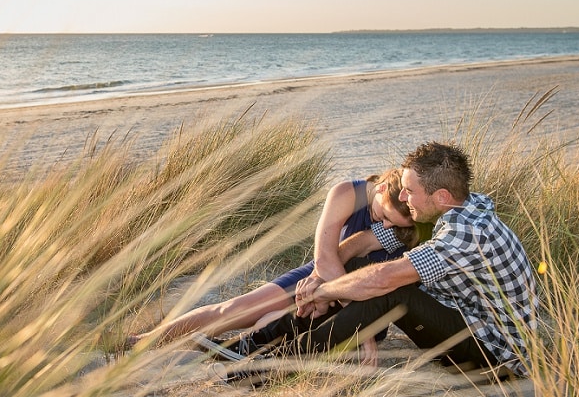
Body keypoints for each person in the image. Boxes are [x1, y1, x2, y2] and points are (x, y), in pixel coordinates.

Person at [204, 141, 538, 377]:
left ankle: (274, 362)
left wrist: (323, 293)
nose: (403, 198)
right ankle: (257, 343)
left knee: (392, 289)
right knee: (361, 271)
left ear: (441, 196)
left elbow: (384, 279)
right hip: (464, 321)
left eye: (410, 191)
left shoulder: (464, 235)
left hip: (494, 355)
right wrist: (322, 278)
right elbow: (361, 245)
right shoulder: (455, 209)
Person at [130, 168, 422, 353]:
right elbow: (324, 256)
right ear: (382, 188)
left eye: (392, 223)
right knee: (231, 309)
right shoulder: (348, 192)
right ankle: (147, 341)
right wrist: (337, 300)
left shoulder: (413, 216)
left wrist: (357, 321)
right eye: (382, 216)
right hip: (320, 275)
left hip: (365, 300)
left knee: (273, 324)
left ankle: (237, 351)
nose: (385, 226)